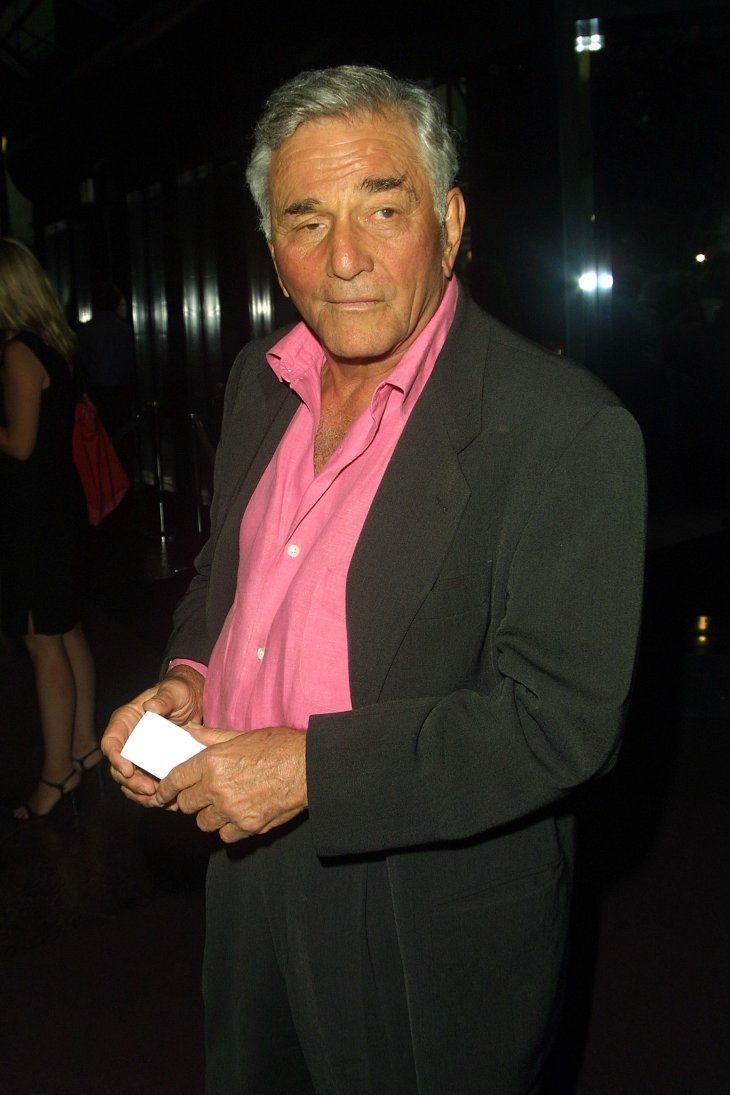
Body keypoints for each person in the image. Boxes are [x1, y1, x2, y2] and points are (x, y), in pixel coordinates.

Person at [102, 65, 646, 1094]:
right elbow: (232, 572)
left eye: (381, 209)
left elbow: (561, 722)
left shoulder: (564, 430)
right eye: (304, 219)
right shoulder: (261, 383)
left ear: (448, 223)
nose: (342, 258)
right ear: (270, 244)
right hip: (246, 876)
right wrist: (188, 679)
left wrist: (310, 771)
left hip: (423, 914)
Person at [0, 238, 100, 822]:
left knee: (43, 641)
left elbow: (19, 443)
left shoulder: (17, 352)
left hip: (33, 515)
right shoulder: (55, 345)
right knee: (66, 631)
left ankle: (56, 772)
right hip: (56, 505)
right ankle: (83, 744)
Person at [76, 280, 136, 446]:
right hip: (120, 392)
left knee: (100, 439)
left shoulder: (85, 331)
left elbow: (80, 364)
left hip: (96, 393)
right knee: (121, 438)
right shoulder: (125, 331)